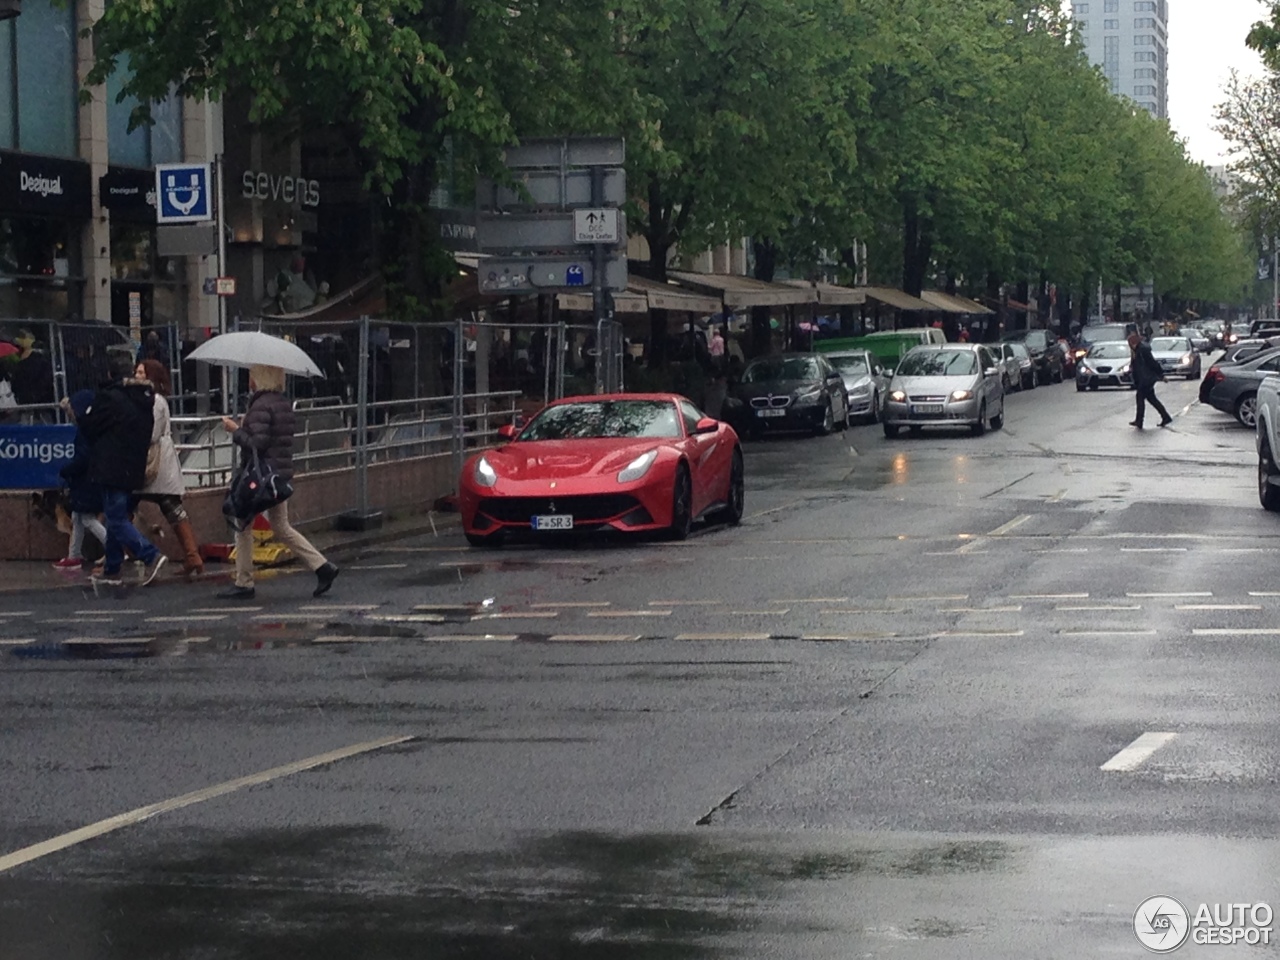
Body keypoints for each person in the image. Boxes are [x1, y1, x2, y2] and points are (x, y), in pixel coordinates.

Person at [217, 364, 339, 600]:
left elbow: (257, 444)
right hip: (277, 475)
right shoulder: (282, 403)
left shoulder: (261, 405)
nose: (249, 379)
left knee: (243, 524)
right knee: (281, 526)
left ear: (260, 378)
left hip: (260, 476)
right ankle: (322, 566)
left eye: (252, 374)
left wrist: (235, 430)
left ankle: (244, 582)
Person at [77, 352, 168, 585]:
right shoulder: (142, 398)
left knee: (116, 517)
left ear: (109, 374)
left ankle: (150, 555)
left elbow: (89, 426)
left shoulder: (109, 398)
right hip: (133, 466)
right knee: (116, 515)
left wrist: (80, 413)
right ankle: (112, 566)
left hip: (111, 465)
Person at [134, 358, 204, 578]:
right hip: (162, 464)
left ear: (151, 377)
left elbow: (151, 433)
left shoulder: (153, 401)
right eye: (137, 372)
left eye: (141, 373)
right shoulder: (155, 399)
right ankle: (192, 556)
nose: (137, 376)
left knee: (126, 506)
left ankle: (121, 554)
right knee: (172, 508)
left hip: (155, 462)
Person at [53, 390, 105, 570]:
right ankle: (74, 555)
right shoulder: (93, 427)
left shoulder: (85, 431)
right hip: (89, 479)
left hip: (85, 480)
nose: (70, 415)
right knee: (77, 517)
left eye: (71, 411)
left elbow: (83, 458)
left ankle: (113, 548)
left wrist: (67, 470)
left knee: (87, 518)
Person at [1128, 333, 1172, 429]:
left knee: (1140, 398)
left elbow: (1152, 363)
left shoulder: (1142, 350)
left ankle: (1139, 420)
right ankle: (1165, 416)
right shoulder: (1138, 350)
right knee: (1151, 399)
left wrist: (1161, 375)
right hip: (1144, 379)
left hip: (1146, 379)